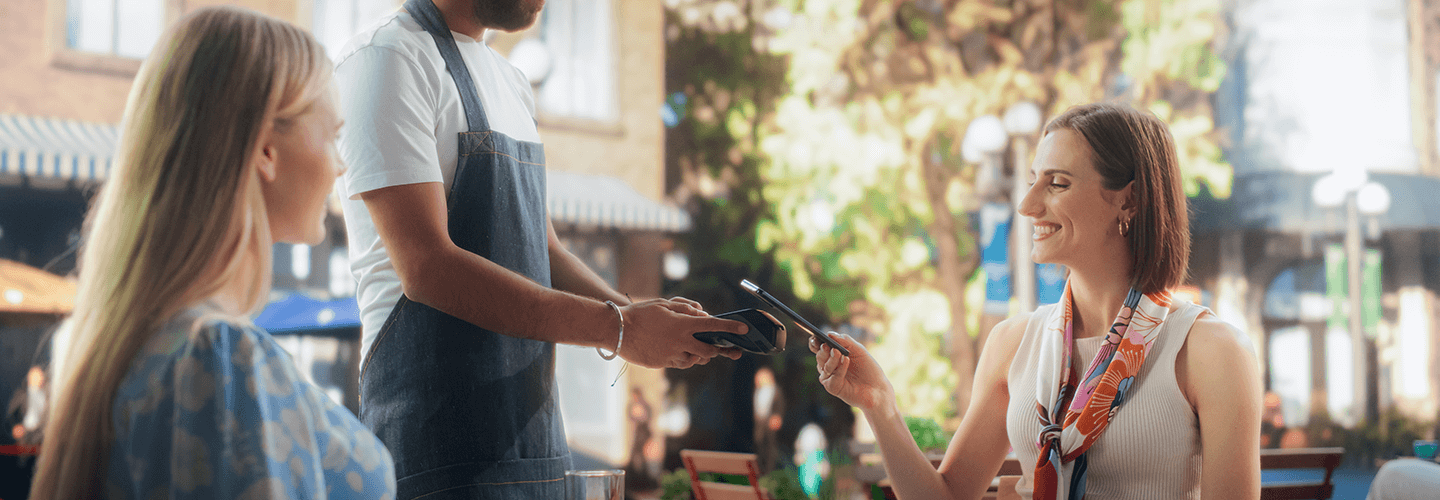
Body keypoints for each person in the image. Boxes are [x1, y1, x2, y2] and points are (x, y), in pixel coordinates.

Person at [331, 0, 747, 497]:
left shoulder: (511, 81)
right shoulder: (387, 59)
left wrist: (633, 312)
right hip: (436, 450)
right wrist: (621, 330)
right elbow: (428, 268)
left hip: (536, 447)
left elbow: (542, 250)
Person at [30, 6, 396, 499]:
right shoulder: (220, 360)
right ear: (266, 148)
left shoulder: (112, 345)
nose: (340, 165)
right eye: (333, 136)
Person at [812, 103, 1263, 499]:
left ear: (1130, 200)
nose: (1027, 204)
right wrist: (880, 406)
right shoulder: (1012, 343)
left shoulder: (1211, 352)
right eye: (1033, 181)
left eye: (1057, 183)